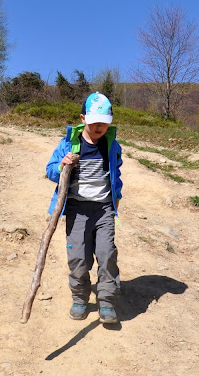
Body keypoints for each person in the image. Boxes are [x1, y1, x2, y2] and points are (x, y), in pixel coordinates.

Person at [45, 92, 123, 324]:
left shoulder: (112, 144)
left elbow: (116, 173)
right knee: (78, 258)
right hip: (77, 210)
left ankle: (107, 301)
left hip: (104, 210)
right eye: (94, 122)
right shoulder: (69, 143)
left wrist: (117, 197)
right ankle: (80, 297)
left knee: (107, 254)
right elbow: (50, 171)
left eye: (104, 123)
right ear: (83, 118)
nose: (99, 127)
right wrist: (62, 165)